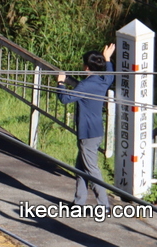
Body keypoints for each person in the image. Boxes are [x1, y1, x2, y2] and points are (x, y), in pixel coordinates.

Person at [57, 43, 115, 209]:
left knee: (91, 170)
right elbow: (110, 76)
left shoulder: (85, 85)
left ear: (86, 67)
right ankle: (78, 202)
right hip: (96, 131)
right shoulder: (102, 81)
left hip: (87, 133)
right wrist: (108, 59)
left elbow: (65, 99)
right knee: (81, 168)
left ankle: (104, 205)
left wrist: (60, 84)